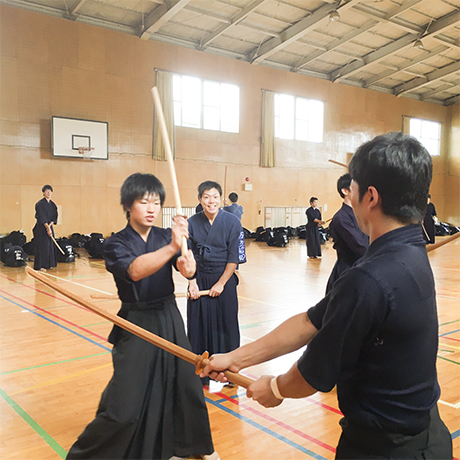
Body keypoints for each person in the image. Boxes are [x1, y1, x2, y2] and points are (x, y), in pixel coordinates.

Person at [202, 133, 452, 460]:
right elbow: (311, 320)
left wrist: (274, 387)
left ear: (370, 197)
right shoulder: (411, 252)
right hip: (430, 436)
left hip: (385, 450)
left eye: (354, 188)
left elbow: (311, 374)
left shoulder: (368, 278)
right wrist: (236, 358)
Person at [66, 173, 217, 460]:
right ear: (127, 205)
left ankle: (191, 446)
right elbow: (135, 271)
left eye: (157, 203)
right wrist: (174, 246)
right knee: (125, 402)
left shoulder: (164, 235)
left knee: (186, 385)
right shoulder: (116, 243)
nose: (151, 209)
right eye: (144, 202)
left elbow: (187, 270)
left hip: (169, 316)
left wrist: (188, 263)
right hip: (135, 322)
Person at [187, 181, 246, 386]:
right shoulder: (191, 223)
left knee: (227, 324)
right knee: (198, 324)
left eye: (214, 196)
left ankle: (230, 373)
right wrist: (192, 282)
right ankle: (202, 372)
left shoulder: (232, 222)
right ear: (200, 200)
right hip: (200, 278)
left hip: (225, 279)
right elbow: (188, 256)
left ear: (220, 199)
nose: (210, 201)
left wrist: (221, 283)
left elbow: (234, 257)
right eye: (206, 197)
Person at [326, 173, 369, 294]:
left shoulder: (362, 214)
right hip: (347, 273)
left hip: (363, 269)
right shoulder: (341, 219)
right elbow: (361, 247)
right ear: (345, 191)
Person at [33, 184, 58, 272]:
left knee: (50, 246)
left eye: (50, 191)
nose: (48, 193)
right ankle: (39, 266)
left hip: (49, 227)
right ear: (43, 193)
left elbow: (54, 217)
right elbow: (41, 217)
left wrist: (50, 227)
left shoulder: (53, 205)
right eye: (46, 191)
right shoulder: (39, 204)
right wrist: (47, 228)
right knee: (42, 246)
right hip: (40, 228)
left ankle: (49, 264)